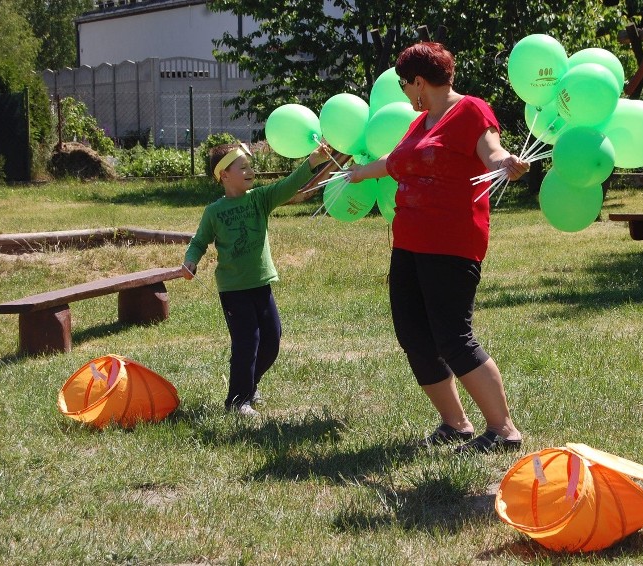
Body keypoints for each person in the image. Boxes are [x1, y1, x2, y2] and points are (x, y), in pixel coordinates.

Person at [347, 42, 529, 453]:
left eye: (403, 83)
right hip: (409, 243)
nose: (403, 91)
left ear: (418, 82)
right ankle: (456, 424)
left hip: (451, 243)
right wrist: (359, 174)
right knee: (414, 336)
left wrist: (504, 163)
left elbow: (491, 149)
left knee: (453, 338)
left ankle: (503, 431)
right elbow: (397, 163)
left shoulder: (470, 111)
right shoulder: (422, 122)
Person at [183, 141, 331, 416]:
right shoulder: (214, 212)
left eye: (251, 166)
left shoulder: (260, 198)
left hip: (261, 284)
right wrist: (190, 260)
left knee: (272, 341)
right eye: (243, 167)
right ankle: (237, 401)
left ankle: (249, 386)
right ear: (224, 175)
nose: (251, 171)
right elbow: (200, 241)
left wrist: (313, 160)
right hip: (233, 289)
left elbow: (289, 185)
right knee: (247, 343)